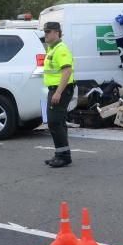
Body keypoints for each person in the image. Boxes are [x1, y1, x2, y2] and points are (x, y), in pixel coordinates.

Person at [42, 21, 75, 168]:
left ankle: (64, 156)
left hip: (60, 90)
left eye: (48, 32)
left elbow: (66, 71)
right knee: (59, 122)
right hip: (55, 89)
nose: (46, 35)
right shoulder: (52, 49)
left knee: (54, 122)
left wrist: (58, 93)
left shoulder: (61, 49)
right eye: (45, 32)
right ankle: (61, 154)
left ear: (56, 32)